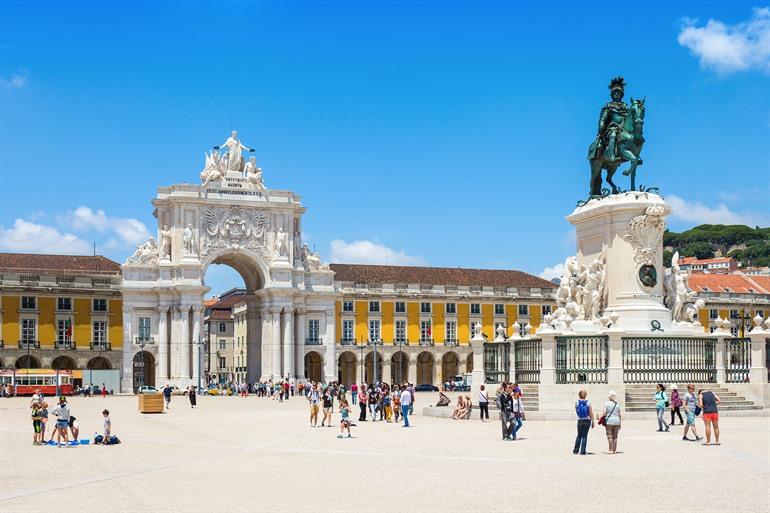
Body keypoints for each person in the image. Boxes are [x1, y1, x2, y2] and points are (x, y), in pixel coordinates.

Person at [573, 390, 594, 455]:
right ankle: (582, 451)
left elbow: (576, 410)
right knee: (584, 436)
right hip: (587, 420)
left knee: (579, 435)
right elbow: (591, 412)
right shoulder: (588, 403)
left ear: (579, 395)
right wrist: (593, 421)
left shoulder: (576, 402)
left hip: (580, 420)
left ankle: (576, 450)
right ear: (585, 396)